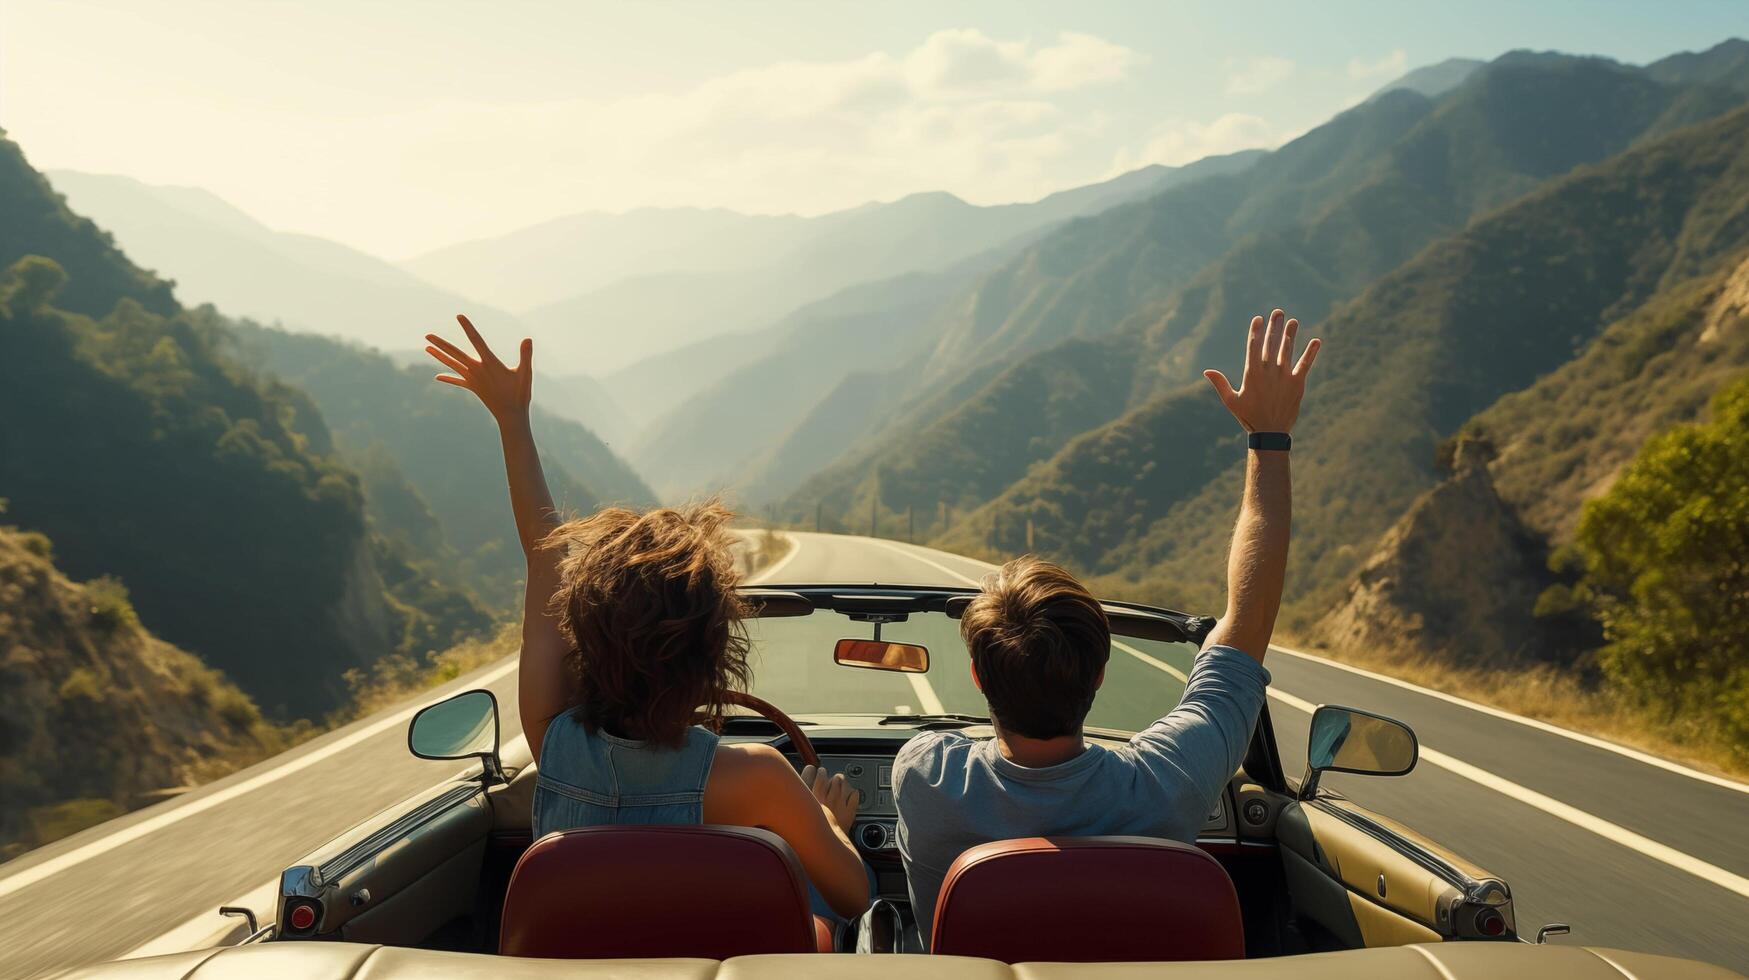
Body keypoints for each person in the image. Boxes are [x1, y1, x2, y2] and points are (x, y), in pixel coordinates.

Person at [892, 309, 1320, 942]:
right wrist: (1269, 437)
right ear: (1098, 675)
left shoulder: (924, 776)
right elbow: (1248, 619)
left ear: (980, 678)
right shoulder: (1165, 785)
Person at [423, 315, 869, 919]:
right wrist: (824, 822)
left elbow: (543, 552)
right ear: (714, 652)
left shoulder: (554, 741)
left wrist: (512, 420)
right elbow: (856, 896)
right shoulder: (760, 778)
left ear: (584, 639)